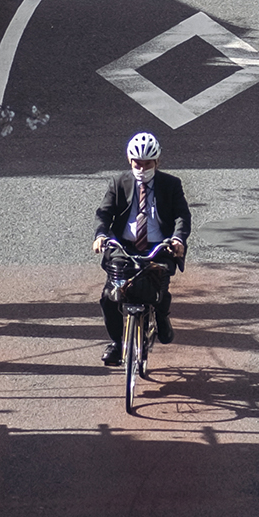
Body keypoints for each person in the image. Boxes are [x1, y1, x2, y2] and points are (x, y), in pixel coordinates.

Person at [94, 130, 192, 364]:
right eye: (137, 163)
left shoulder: (171, 184)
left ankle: (161, 316)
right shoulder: (118, 183)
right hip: (124, 245)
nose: (142, 168)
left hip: (159, 245)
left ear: (157, 161)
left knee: (157, 287)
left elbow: (182, 216)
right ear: (130, 160)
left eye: (147, 164)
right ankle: (117, 343)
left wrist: (178, 239)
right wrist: (100, 235)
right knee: (110, 296)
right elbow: (104, 213)